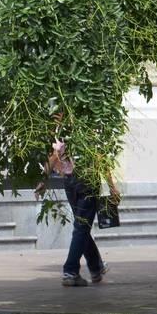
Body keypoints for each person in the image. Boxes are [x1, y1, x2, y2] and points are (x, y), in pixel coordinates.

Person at [35, 121, 119, 287]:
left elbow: (54, 156)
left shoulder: (65, 130)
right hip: (87, 181)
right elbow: (100, 159)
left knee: (82, 226)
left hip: (70, 181)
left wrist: (43, 180)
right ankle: (71, 271)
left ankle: (96, 268)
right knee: (81, 227)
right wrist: (112, 187)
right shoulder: (89, 127)